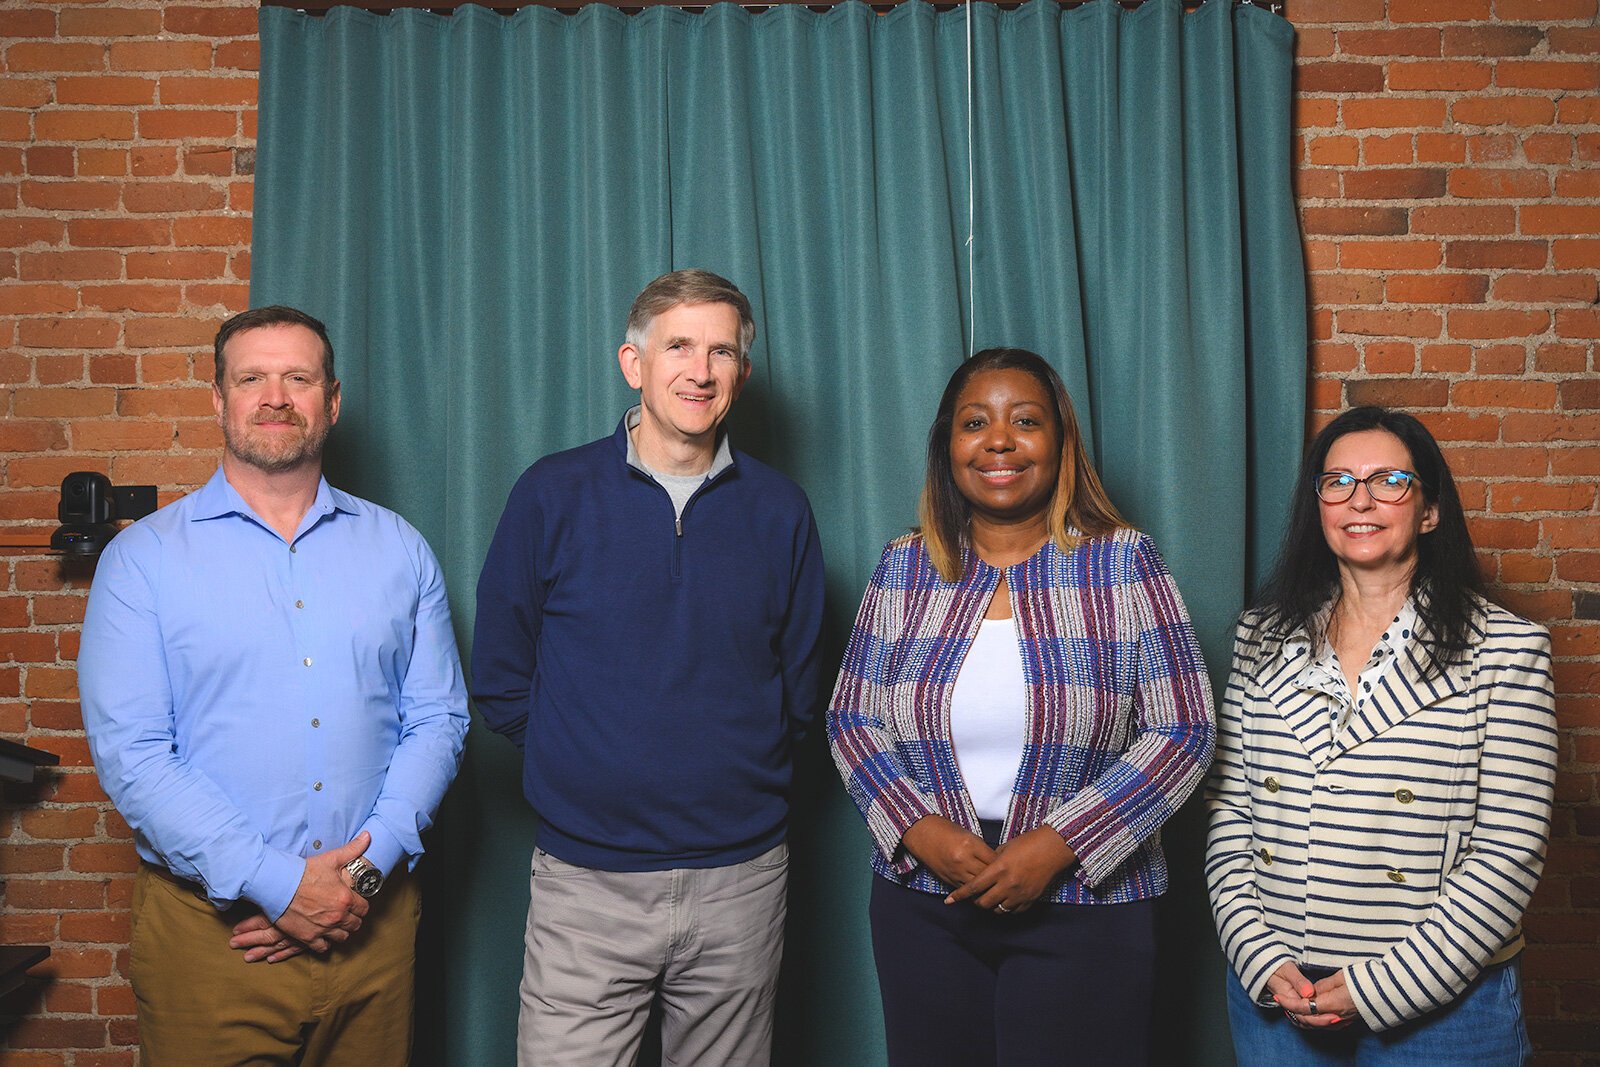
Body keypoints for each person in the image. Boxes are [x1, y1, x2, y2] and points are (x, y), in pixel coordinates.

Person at [77, 305, 470, 1064]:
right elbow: (135, 755)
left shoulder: (401, 549)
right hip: (211, 939)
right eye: (251, 377)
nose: (276, 395)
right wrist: (280, 884)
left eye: (298, 376)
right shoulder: (144, 562)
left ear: (333, 399)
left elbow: (439, 720)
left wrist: (357, 874)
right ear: (219, 399)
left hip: (373, 927)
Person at [472, 268, 825, 1066]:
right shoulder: (551, 494)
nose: (700, 371)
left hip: (742, 880)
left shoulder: (780, 510)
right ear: (633, 363)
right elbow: (499, 673)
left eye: (722, 351)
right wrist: (588, 760)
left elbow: (802, 692)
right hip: (586, 883)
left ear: (741, 371)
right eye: (679, 347)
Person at [827, 347, 1214, 1066]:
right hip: (924, 902)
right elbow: (851, 718)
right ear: (949, 447)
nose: (999, 440)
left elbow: (1184, 727)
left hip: (1091, 906)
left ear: (1060, 441)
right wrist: (918, 829)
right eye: (975, 422)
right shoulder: (903, 565)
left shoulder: (1125, 562)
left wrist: (1061, 842)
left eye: (1025, 420)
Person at [1206, 406, 1558, 1065]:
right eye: (1336, 481)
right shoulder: (1261, 639)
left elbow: (1508, 852)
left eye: (1388, 479)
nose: (1359, 498)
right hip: (1280, 999)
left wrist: (1381, 986)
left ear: (1429, 509)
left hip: (1442, 1010)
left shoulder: (1507, 650)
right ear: (1318, 507)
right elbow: (1231, 814)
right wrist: (1256, 952)